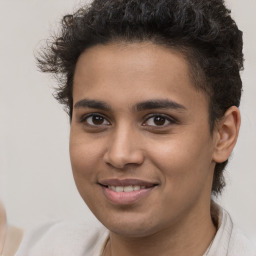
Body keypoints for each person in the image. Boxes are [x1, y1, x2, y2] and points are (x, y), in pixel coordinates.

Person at [16, 0, 256, 255]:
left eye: (158, 120)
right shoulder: (41, 248)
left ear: (223, 135)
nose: (120, 155)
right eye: (97, 119)